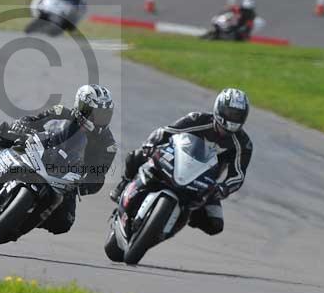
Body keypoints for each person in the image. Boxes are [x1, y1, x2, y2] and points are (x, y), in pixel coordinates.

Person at [0, 84, 117, 235]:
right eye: (97, 114)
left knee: (64, 222)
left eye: (105, 115)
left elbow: (98, 176)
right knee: (5, 132)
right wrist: (22, 125)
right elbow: (33, 120)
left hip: (66, 177)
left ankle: (20, 218)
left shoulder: (108, 145)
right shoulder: (61, 112)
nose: (100, 119)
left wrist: (82, 185)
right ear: (82, 107)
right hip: (39, 152)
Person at [108, 88, 253, 237]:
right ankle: (124, 184)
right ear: (219, 109)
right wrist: (150, 145)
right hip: (176, 162)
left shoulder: (243, 144)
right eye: (230, 113)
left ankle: (183, 216)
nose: (232, 118)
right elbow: (165, 132)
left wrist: (223, 188)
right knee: (136, 155)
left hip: (204, 183)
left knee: (215, 224)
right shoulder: (198, 119)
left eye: (237, 115)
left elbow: (238, 175)